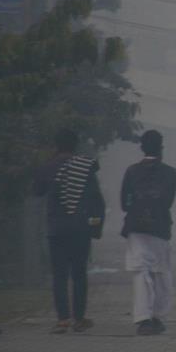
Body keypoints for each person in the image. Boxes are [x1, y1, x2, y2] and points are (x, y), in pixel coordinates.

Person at [33, 129, 104, 334]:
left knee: (59, 275)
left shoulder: (48, 166)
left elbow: (37, 191)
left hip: (56, 229)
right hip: (81, 228)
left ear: (56, 145)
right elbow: (96, 199)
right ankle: (79, 319)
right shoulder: (86, 165)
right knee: (79, 273)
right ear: (75, 146)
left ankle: (62, 319)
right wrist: (96, 227)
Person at [121, 130, 176, 336]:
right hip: (160, 227)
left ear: (142, 148)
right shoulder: (171, 173)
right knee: (160, 273)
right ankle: (157, 316)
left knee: (140, 272)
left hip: (136, 227)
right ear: (161, 148)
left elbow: (124, 202)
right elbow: (169, 201)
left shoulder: (131, 171)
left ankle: (143, 318)